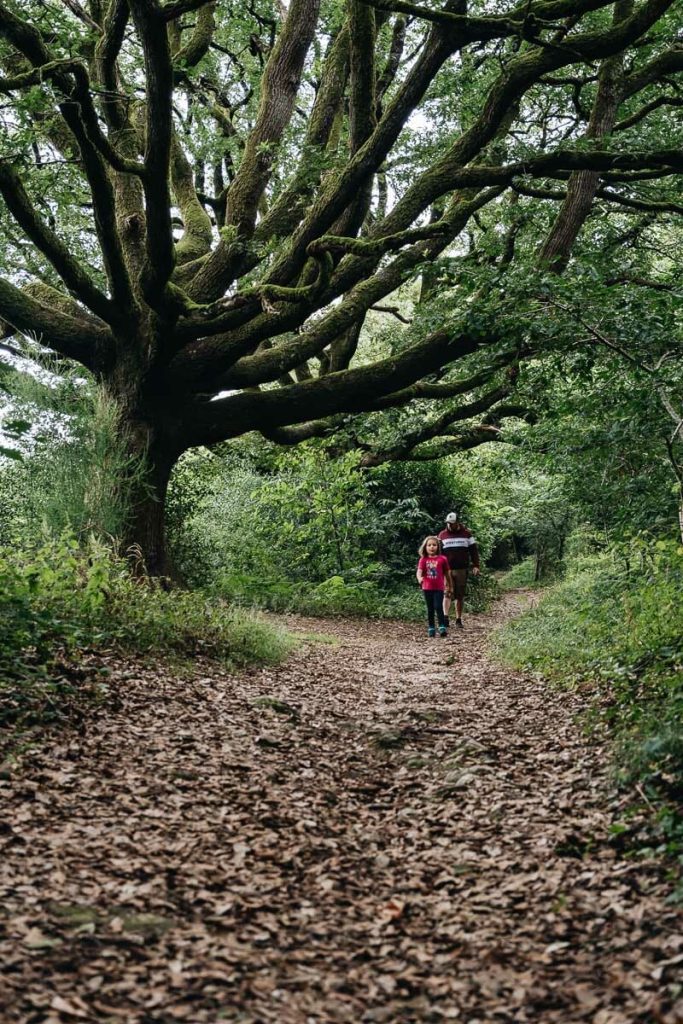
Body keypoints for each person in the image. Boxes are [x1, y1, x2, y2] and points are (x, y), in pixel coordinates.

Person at [438, 511, 480, 629]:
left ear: (457, 523)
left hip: (461, 568)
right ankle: (445, 617)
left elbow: (474, 551)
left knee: (459, 595)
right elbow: (438, 552)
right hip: (447, 569)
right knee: (447, 592)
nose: (450, 525)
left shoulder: (466, 534)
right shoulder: (442, 535)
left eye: (452, 523)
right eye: (448, 523)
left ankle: (458, 619)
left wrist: (476, 565)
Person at [416, 535, 452, 638]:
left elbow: (447, 574)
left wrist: (449, 585)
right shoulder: (423, 560)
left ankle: (442, 626)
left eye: (434, 545)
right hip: (427, 588)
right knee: (430, 608)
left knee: (438, 606)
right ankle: (431, 627)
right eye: (429, 545)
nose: (432, 547)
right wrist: (419, 578)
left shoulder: (442, 559)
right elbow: (419, 572)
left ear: (438, 547)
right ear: (425, 547)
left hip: (438, 588)